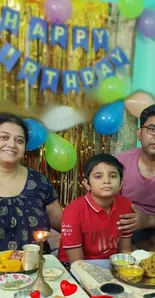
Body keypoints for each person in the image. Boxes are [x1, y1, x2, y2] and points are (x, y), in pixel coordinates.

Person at [0, 113, 62, 251]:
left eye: (19, 140)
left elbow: (66, 225)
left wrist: (114, 224)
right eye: (4, 137)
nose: (12, 145)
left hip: (37, 269)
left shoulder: (38, 180)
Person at [58, 153, 133, 265]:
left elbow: (125, 251)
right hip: (75, 265)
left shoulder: (126, 205)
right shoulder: (73, 211)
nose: (106, 181)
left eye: (113, 176)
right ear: (87, 184)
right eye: (98, 176)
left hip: (112, 263)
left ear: (121, 183)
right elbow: (77, 264)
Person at [116, 104, 155, 250]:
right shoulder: (120, 162)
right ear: (139, 133)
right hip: (126, 227)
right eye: (152, 129)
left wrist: (147, 221)